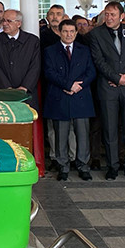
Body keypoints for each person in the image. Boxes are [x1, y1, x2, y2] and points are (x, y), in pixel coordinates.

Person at [88, 1, 125, 180]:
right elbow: (98, 60)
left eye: (113, 15)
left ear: (122, 16)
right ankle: (112, 166)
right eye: (107, 14)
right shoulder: (96, 34)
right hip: (108, 88)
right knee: (110, 129)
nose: (109, 18)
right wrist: (117, 78)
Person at [43, 20, 96, 181]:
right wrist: (68, 85)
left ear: (76, 33)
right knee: (61, 135)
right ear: (59, 32)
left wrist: (78, 86)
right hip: (60, 96)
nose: (69, 34)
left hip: (80, 96)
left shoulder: (84, 50)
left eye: (72, 31)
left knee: (83, 134)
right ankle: (63, 166)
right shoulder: (50, 51)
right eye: (65, 31)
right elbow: (49, 72)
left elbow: (91, 72)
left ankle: (83, 166)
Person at [0, 9, 41, 110]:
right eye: (3, 20)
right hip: (4, 93)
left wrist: (24, 87)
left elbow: (35, 66)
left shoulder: (32, 41)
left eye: (9, 21)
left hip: (27, 93)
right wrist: (7, 88)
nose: (4, 24)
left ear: (18, 24)